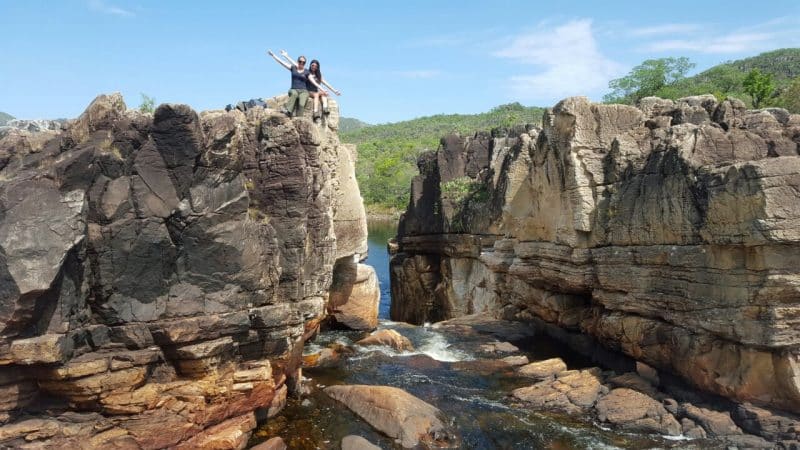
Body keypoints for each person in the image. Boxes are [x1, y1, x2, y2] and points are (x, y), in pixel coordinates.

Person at [267, 49, 309, 117]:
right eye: (300, 61)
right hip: (294, 89)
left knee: (301, 104)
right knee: (294, 94)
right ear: (297, 61)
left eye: (303, 62)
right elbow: (282, 62)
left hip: (303, 91)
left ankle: (299, 119)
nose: (301, 63)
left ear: (305, 63)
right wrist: (273, 55)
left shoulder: (307, 71)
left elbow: (314, 81)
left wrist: (321, 89)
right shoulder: (293, 68)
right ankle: (288, 111)